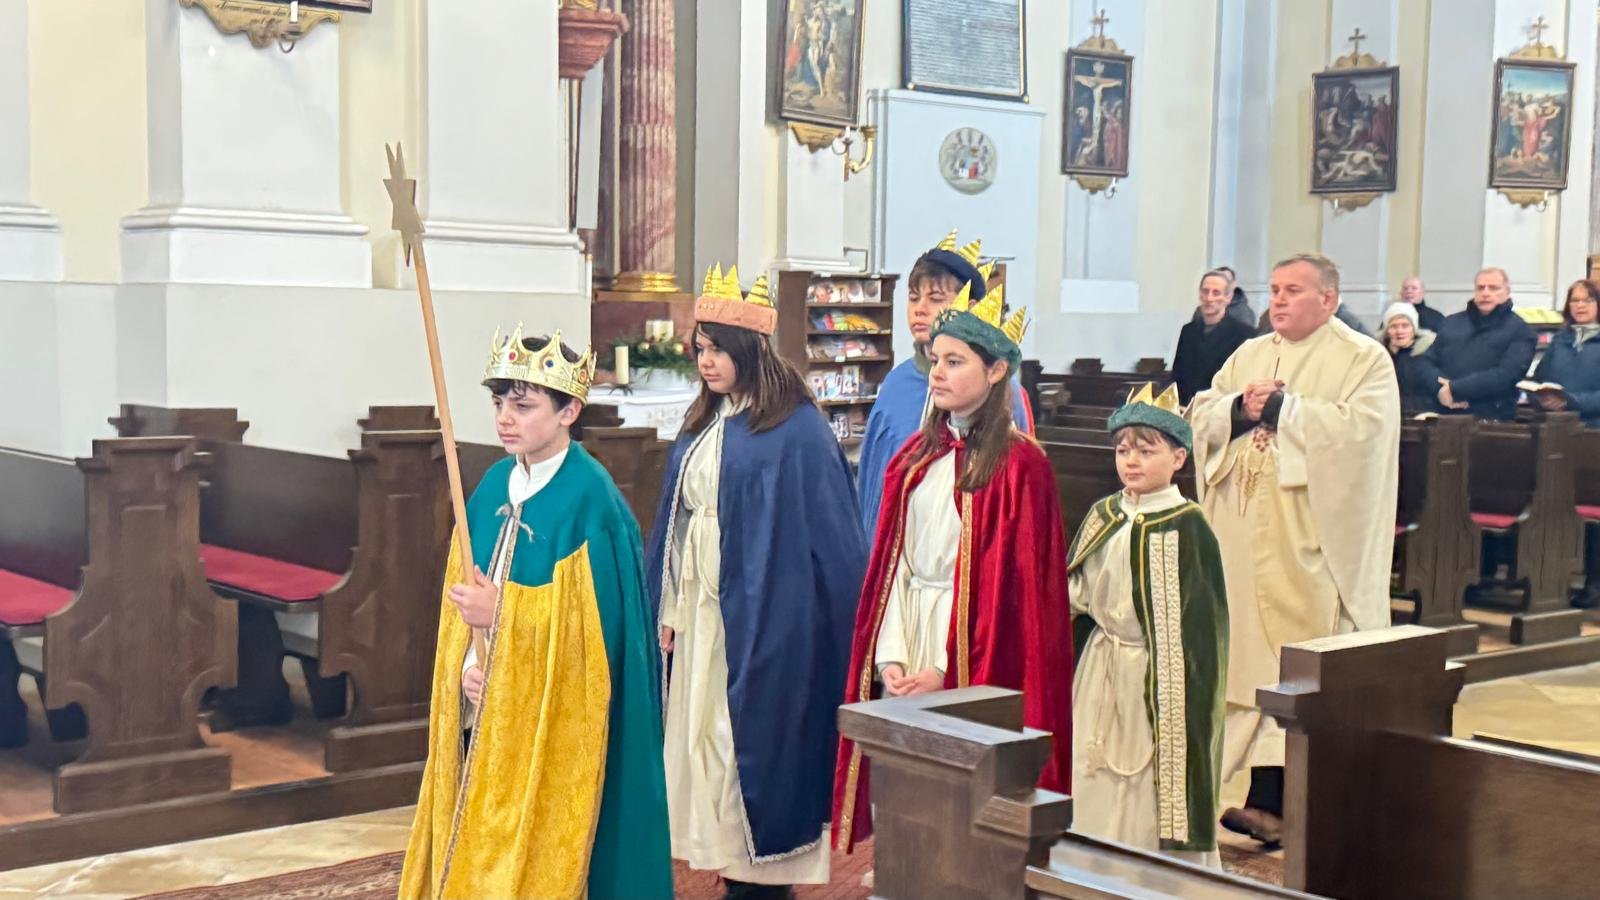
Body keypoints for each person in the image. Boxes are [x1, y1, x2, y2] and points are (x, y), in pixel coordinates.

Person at [401, 327, 672, 900]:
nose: (506, 418)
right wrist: (468, 668)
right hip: (488, 703)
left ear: (569, 411)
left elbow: (595, 648)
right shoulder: (493, 485)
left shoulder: (591, 501)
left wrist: (504, 614)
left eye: (523, 406)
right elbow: (462, 604)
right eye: (500, 404)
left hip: (553, 725)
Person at [647, 265, 867, 896]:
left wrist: (827, 626)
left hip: (766, 621)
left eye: (718, 350)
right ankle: (726, 862)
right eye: (700, 349)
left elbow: (834, 539)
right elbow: (676, 524)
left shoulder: (796, 429)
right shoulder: (703, 422)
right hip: (702, 617)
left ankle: (761, 884)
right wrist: (668, 606)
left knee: (746, 745)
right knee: (705, 744)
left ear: (750, 351)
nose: (706, 362)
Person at [832, 281, 1073, 854]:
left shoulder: (1021, 468)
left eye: (954, 361)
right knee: (907, 797)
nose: (937, 373)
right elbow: (894, 572)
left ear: (996, 371)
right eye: (935, 359)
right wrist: (891, 658)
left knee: (962, 812)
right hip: (910, 635)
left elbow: (1019, 605)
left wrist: (945, 673)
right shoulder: (914, 460)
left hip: (972, 661)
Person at [1186, 253, 1398, 848]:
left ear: (1328, 299)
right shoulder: (1250, 353)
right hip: (1239, 532)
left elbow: (1365, 435)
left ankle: (1284, 800)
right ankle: (1237, 793)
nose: (1278, 300)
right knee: (1241, 661)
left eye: (1293, 290)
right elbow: (1203, 409)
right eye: (1275, 290)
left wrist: (1285, 410)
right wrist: (1240, 409)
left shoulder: (1363, 359)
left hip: (1308, 538)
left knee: (1293, 662)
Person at [1068, 383, 1228, 865]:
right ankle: (1085, 870)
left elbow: (1203, 632)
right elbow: (1075, 592)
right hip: (1100, 666)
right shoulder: (1104, 515)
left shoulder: (1189, 526)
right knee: (1091, 768)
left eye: (1145, 450)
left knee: (1145, 779)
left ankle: (1146, 879)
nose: (1131, 461)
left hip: (1155, 679)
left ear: (1179, 458)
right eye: (1122, 450)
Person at [855, 229, 1033, 535]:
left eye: (935, 298)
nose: (920, 308)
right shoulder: (897, 384)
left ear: (970, 306)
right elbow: (872, 482)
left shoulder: (1003, 392)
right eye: (914, 298)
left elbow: (1017, 491)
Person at [1425, 267, 1538, 420]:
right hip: (1443, 410)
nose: (1485, 293)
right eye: (1480, 288)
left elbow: (1506, 375)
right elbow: (1427, 361)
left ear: (1507, 292)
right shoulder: (1451, 322)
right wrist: (1440, 389)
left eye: (1493, 288)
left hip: (1491, 416)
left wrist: (1454, 388)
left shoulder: (1521, 330)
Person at [1172, 269, 1257, 403]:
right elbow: (1178, 374)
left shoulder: (1244, 334)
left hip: (1222, 406)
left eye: (1216, 293)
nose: (1209, 298)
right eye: (1205, 291)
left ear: (1228, 298)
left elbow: (1242, 380)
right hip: (1187, 405)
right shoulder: (1188, 331)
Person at [1528, 279, 1600, 427]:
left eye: (1588, 300)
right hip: (1554, 426)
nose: (1580, 305)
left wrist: (1570, 402)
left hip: (1592, 428)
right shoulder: (1559, 341)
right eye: (1575, 300)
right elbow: (1538, 382)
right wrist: (1541, 400)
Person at [1378, 302, 1441, 415]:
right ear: (1387, 331)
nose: (1399, 331)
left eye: (1405, 326)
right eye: (1394, 326)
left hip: (1423, 417)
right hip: (1387, 416)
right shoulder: (1379, 356)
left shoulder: (1429, 353)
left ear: (1414, 329)